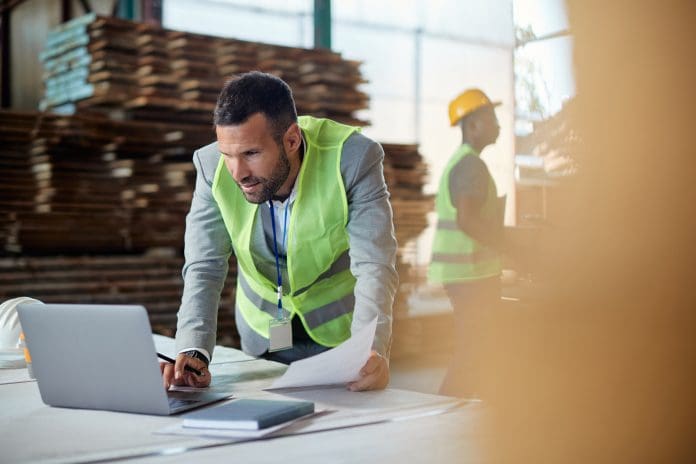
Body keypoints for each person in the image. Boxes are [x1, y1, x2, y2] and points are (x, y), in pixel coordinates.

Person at [161, 71, 398, 392]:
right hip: (262, 333)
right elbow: (204, 265)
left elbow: (374, 265)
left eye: (251, 154)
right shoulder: (210, 166)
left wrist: (369, 349)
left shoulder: (353, 159)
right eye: (228, 155)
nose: (238, 172)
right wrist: (192, 349)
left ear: (291, 140)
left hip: (341, 335)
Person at [428, 88, 504, 397]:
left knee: (479, 347)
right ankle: (445, 409)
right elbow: (468, 220)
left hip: (468, 274)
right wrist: (511, 246)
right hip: (471, 275)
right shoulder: (471, 165)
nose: (498, 125)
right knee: (475, 348)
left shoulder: (463, 162)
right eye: (492, 118)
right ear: (473, 125)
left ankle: (470, 411)